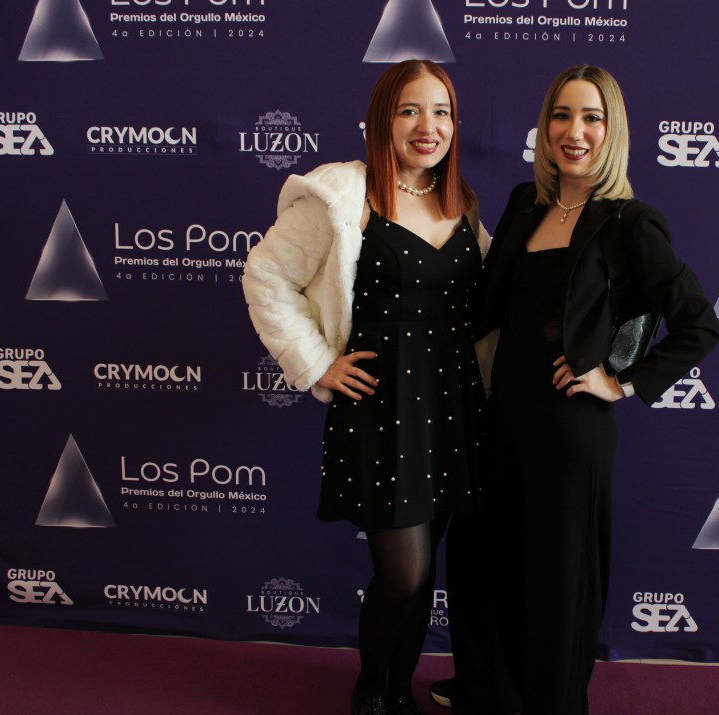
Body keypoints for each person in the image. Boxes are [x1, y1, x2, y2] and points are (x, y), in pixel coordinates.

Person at [440, 65, 719, 715]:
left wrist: (621, 380)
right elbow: (488, 306)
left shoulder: (629, 223)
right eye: (562, 115)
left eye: (592, 118)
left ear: (611, 130)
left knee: (557, 581)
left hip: (570, 430)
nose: (575, 131)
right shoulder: (524, 204)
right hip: (499, 419)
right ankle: (490, 691)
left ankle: (552, 702)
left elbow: (699, 324)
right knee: (483, 562)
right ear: (545, 127)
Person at [243, 60, 489, 715]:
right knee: (402, 573)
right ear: (383, 120)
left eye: (441, 111)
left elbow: (493, 304)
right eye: (410, 110)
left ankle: (400, 691)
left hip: (453, 406)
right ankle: (371, 689)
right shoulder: (341, 195)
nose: (428, 126)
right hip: (383, 411)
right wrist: (317, 361)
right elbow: (265, 275)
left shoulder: (462, 203)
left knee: (426, 570)